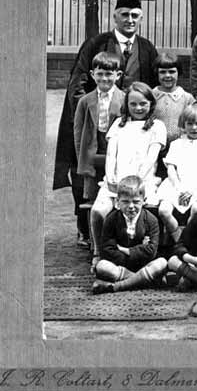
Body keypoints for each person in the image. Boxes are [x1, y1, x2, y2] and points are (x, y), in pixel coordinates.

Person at [52, 0, 159, 243]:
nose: (129, 20)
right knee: (86, 176)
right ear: (115, 16)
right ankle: (85, 230)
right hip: (95, 124)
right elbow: (77, 82)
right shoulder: (96, 44)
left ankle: (120, 229)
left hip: (129, 126)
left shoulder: (146, 48)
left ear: (141, 18)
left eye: (135, 15)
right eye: (124, 14)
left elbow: (150, 90)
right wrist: (88, 111)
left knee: (123, 175)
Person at [89, 83, 166, 272]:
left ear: (151, 104)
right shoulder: (119, 124)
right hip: (115, 182)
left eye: (143, 104)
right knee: (99, 211)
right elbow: (111, 155)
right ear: (127, 104)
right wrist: (112, 177)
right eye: (133, 104)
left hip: (142, 181)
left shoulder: (157, 126)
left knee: (143, 211)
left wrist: (135, 181)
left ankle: (142, 255)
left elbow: (151, 158)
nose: (138, 108)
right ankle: (99, 253)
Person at [70, 51, 124, 248]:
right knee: (93, 200)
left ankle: (114, 240)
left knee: (115, 196)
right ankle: (95, 243)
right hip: (92, 152)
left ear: (118, 75)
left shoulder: (124, 99)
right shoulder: (85, 101)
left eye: (109, 74)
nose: (104, 79)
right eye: (100, 74)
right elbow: (78, 131)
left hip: (114, 153)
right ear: (93, 74)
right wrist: (81, 157)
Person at [91, 175, 168, 294]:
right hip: (121, 266)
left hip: (144, 264)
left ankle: (117, 286)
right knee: (102, 266)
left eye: (136, 202)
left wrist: (125, 250)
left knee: (162, 262)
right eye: (125, 202)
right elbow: (107, 250)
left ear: (144, 200)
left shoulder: (151, 220)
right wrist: (139, 250)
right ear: (117, 202)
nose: (131, 206)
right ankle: (143, 280)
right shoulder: (111, 219)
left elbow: (151, 251)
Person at [156, 104, 197, 237]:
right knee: (164, 210)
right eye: (189, 124)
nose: (194, 128)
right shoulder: (176, 144)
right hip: (175, 185)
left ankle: (188, 238)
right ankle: (178, 238)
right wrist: (179, 189)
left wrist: (193, 191)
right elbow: (171, 170)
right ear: (183, 125)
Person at [151, 52, 194, 154]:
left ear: (179, 72)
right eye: (162, 72)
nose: (167, 75)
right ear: (156, 73)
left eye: (171, 72)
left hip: (180, 148)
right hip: (155, 147)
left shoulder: (187, 98)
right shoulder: (150, 96)